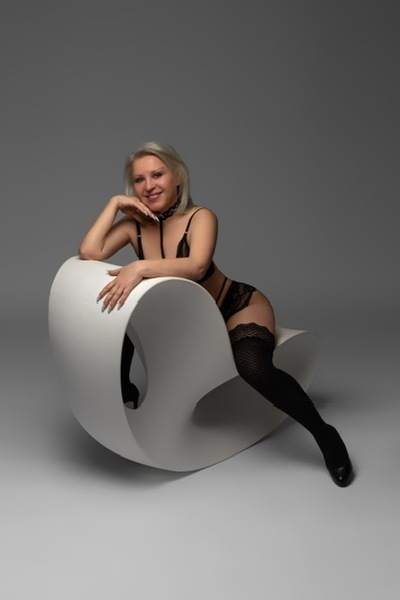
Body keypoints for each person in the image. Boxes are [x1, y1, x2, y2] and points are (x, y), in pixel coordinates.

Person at [79, 141, 354, 487]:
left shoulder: (201, 217)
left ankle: (325, 435)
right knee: (125, 313)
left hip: (234, 306)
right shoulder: (133, 225)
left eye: (157, 174)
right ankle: (126, 389)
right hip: (191, 324)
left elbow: (196, 266)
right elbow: (89, 251)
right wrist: (114, 204)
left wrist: (140, 267)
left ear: (177, 177)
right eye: (139, 180)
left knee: (253, 367)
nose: (148, 186)